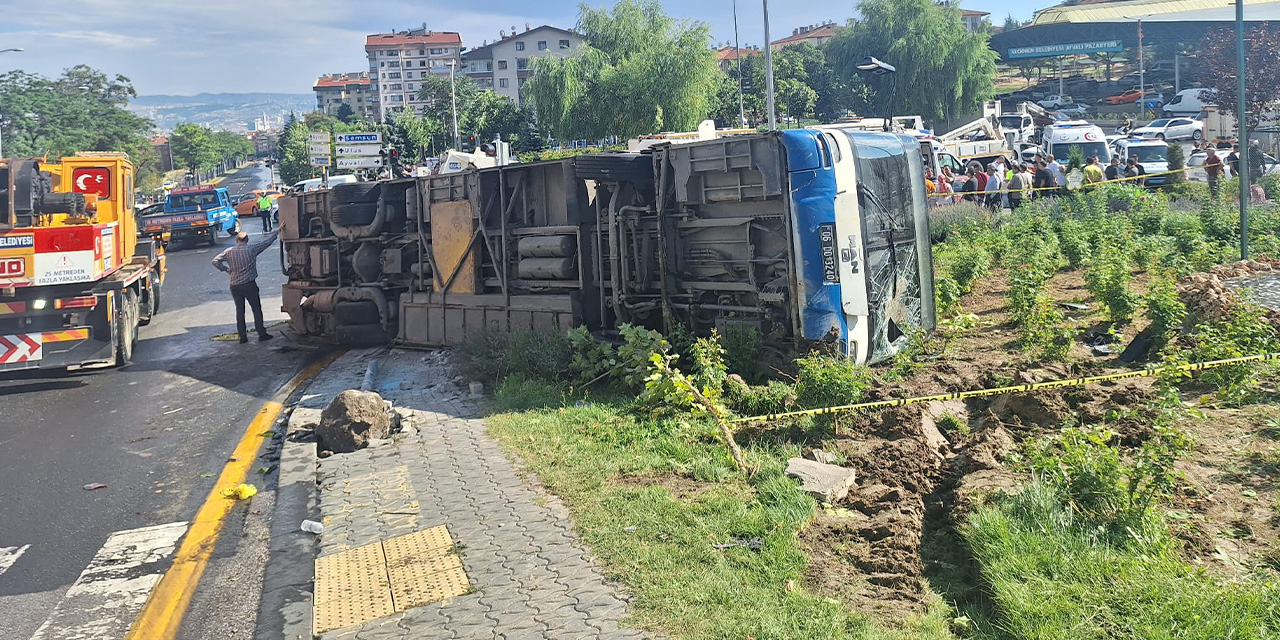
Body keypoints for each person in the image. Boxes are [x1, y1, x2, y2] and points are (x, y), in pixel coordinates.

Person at [212, 228, 280, 344]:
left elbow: (215, 261)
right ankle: (261, 334)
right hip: (249, 285)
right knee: (256, 309)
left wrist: (226, 269)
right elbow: (267, 243)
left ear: (236, 240)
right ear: (247, 240)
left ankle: (243, 337)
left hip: (235, 285)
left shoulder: (229, 251)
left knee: (240, 311)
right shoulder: (251, 249)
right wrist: (277, 231)